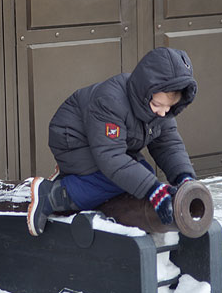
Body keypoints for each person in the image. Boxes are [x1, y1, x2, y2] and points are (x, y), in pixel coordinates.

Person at [27, 47, 198, 237]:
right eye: (157, 105)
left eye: (169, 107)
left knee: (143, 175)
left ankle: (80, 182)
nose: (163, 113)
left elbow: (169, 146)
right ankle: (53, 195)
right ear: (145, 91)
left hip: (110, 143)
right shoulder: (110, 101)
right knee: (121, 180)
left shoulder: (162, 111)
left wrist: (184, 178)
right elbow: (111, 159)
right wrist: (153, 189)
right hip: (73, 140)